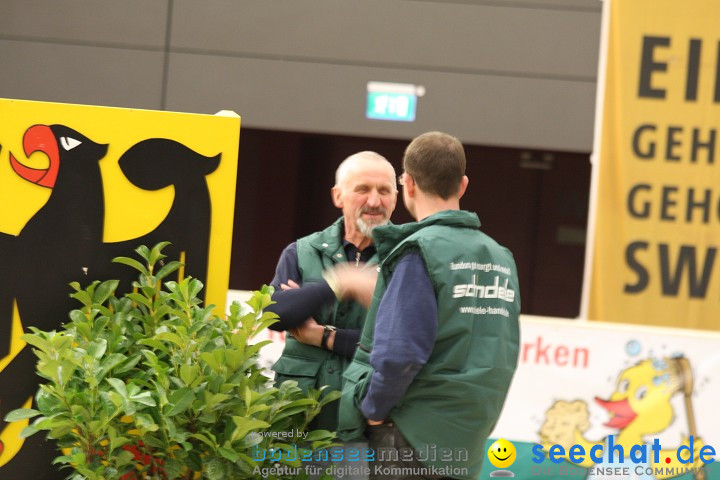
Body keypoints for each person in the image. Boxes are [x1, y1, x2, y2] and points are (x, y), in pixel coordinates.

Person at [332, 132, 521, 480]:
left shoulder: (419, 251)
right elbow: (504, 352)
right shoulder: (501, 258)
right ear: (462, 185)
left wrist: (374, 410)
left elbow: (399, 354)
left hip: (411, 437)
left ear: (409, 184)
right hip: (469, 438)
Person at [266, 150, 397, 432]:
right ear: (338, 196)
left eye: (384, 191)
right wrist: (339, 283)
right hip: (298, 420)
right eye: (362, 189)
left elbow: (398, 344)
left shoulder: (408, 257)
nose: (375, 201)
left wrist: (323, 335)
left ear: (396, 198)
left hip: (366, 424)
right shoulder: (301, 251)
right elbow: (275, 315)